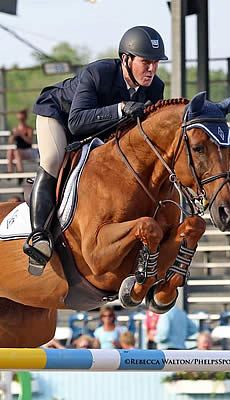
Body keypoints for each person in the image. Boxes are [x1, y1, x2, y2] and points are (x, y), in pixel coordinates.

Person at [22, 26, 167, 276]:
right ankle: (40, 237)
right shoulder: (99, 72)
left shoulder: (155, 88)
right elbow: (76, 122)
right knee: (54, 158)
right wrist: (120, 109)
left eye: (155, 63)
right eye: (146, 62)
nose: (151, 69)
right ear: (126, 59)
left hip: (99, 133)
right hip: (59, 117)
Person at [7, 110, 34, 179]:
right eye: (19, 119)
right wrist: (14, 136)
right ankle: (10, 171)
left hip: (28, 151)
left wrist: (21, 134)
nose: (20, 120)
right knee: (10, 151)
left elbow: (30, 142)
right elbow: (10, 141)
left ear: (25, 118)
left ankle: (20, 172)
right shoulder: (15, 128)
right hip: (19, 152)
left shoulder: (29, 129)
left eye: (22, 119)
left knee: (17, 151)